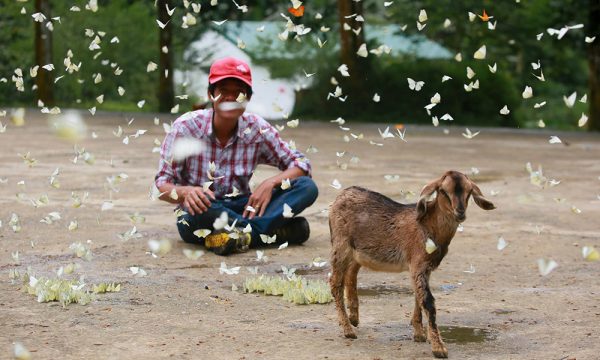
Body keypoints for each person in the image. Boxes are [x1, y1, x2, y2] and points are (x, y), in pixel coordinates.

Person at [155, 57, 318, 256]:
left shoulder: (257, 128)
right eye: (223, 90)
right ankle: (270, 232)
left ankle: (241, 236)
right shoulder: (185, 128)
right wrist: (187, 192)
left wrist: (271, 183)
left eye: (239, 92)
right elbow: (162, 185)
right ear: (210, 94)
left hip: (243, 205)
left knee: (306, 187)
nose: (231, 98)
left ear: (248, 98)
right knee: (194, 215)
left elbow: (301, 164)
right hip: (203, 212)